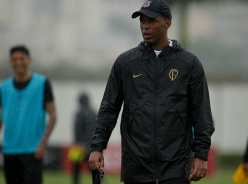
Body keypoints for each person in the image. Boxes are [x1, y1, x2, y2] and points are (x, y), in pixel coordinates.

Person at [88, 0, 215, 184]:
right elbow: (108, 109)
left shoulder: (189, 64)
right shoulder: (126, 63)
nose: (145, 26)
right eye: (142, 21)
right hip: (136, 168)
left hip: (176, 168)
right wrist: (97, 146)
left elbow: (201, 114)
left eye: (152, 21)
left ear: (168, 23)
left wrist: (201, 154)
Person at [0, 45, 57, 184]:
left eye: (22, 59)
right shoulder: (4, 87)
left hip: (33, 150)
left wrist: (43, 143)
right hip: (10, 150)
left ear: (29, 60)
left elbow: (53, 115)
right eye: (15, 59)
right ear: (10, 62)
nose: (18, 62)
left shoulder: (42, 83)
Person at [71, 93, 97, 184]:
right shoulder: (94, 113)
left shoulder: (79, 113)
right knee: (93, 168)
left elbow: (77, 130)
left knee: (76, 169)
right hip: (92, 145)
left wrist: (78, 143)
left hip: (80, 145)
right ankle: (100, 182)